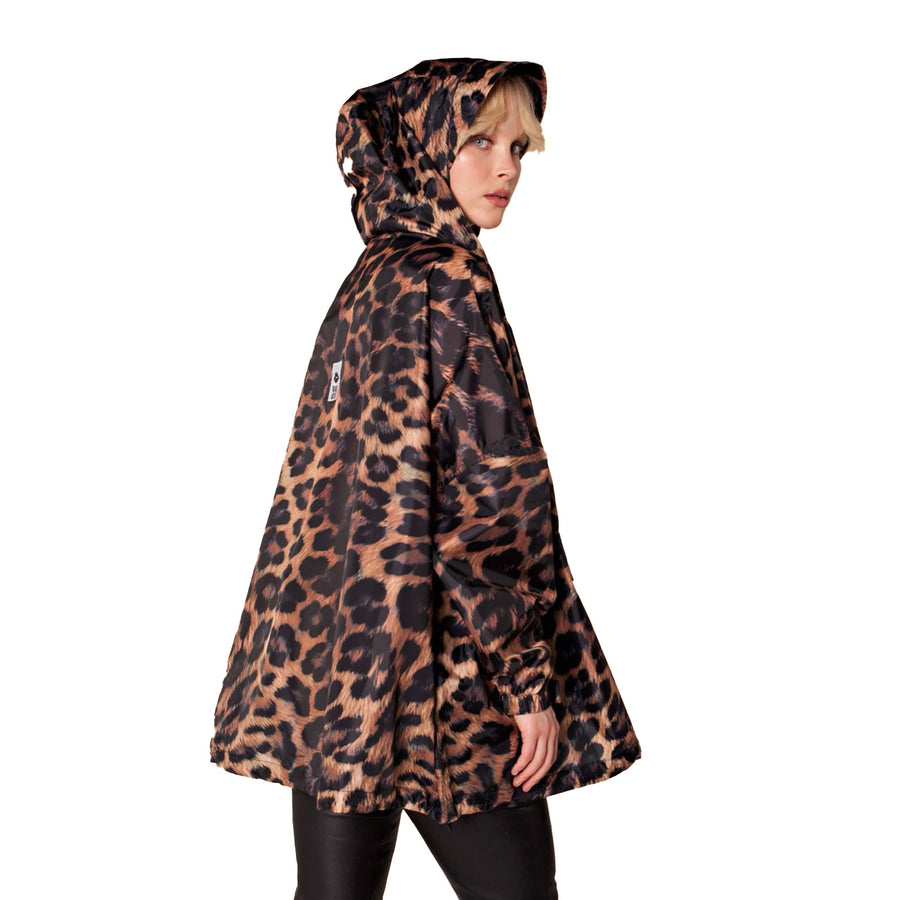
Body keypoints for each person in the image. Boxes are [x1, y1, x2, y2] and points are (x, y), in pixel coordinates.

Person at [209, 57, 642, 900]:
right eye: (480, 141)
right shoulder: (451, 280)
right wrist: (526, 681)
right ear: (426, 144)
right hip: (446, 680)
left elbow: (318, 507)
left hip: (338, 683)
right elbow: (489, 503)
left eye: (519, 147)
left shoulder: (367, 283)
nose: (506, 167)